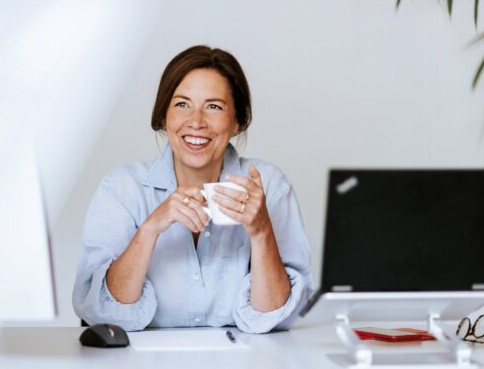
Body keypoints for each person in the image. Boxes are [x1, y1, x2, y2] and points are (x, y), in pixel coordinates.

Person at [72, 45, 313, 333]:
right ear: (164, 116)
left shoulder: (270, 186)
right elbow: (102, 313)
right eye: (182, 104)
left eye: (214, 106)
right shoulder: (121, 189)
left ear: (237, 121)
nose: (196, 122)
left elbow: (279, 316)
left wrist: (261, 231)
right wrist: (150, 229)